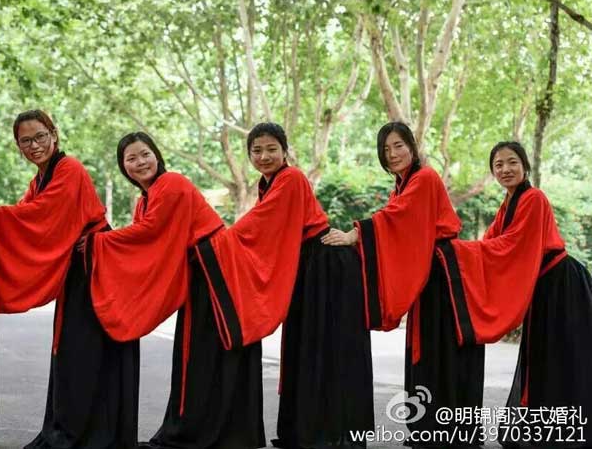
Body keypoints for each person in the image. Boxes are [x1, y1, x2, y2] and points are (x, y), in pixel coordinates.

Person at [194, 123, 374, 448]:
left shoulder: (291, 178)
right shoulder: (268, 183)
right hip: (308, 267)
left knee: (328, 351)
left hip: (327, 265)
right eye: (257, 150)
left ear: (284, 151)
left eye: (271, 149)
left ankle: (334, 435)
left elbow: (260, 223)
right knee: (306, 348)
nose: (264, 156)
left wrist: (219, 243)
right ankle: (305, 432)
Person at [84, 133, 254, 449]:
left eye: (145, 154)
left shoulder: (172, 184)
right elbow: (145, 245)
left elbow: (149, 232)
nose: (140, 162)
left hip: (215, 268)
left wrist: (99, 242)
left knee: (206, 354)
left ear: (157, 155)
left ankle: (200, 434)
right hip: (199, 269)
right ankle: (198, 431)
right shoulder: (144, 200)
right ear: (123, 166)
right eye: (131, 158)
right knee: (196, 355)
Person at [322, 122, 484, 448]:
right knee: (428, 351)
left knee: (442, 351)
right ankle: (429, 428)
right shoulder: (401, 186)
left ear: (412, 146)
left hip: (444, 275)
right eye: (386, 149)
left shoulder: (425, 178)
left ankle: (447, 431)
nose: (393, 154)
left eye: (398, 145)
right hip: (430, 274)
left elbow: (396, 217)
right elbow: (397, 224)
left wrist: (355, 234)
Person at [0, 110, 138, 449]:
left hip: (98, 265)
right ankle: (74, 430)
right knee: (72, 352)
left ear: (54, 134)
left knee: (85, 352)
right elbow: (24, 221)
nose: (34, 145)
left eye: (40, 136)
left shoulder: (69, 169)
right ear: (18, 147)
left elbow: (38, 217)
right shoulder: (39, 180)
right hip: (80, 269)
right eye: (25, 141)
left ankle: (87, 435)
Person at [438, 142, 592, 447]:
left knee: (564, 359)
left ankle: (567, 431)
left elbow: (510, 246)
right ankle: (544, 430)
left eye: (512, 162)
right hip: (543, 288)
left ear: (525, 166)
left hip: (562, 286)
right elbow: (489, 245)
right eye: (498, 165)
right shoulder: (507, 204)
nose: (505, 169)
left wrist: (456, 252)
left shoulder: (534, 199)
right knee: (542, 359)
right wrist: (453, 251)